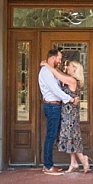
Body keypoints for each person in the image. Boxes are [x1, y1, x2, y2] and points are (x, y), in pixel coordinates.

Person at [38, 46, 72, 174]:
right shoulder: (46, 72)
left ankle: (49, 165)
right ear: (53, 58)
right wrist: (69, 99)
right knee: (51, 136)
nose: (60, 61)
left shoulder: (50, 70)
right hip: (52, 106)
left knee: (52, 135)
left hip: (54, 106)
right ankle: (48, 166)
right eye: (59, 58)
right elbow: (55, 90)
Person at [57, 59, 90, 173]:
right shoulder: (71, 80)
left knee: (72, 136)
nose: (67, 68)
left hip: (70, 113)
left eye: (69, 66)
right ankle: (73, 163)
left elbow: (58, 75)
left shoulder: (72, 80)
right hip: (67, 112)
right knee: (70, 137)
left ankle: (82, 158)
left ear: (75, 68)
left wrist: (48, 66)